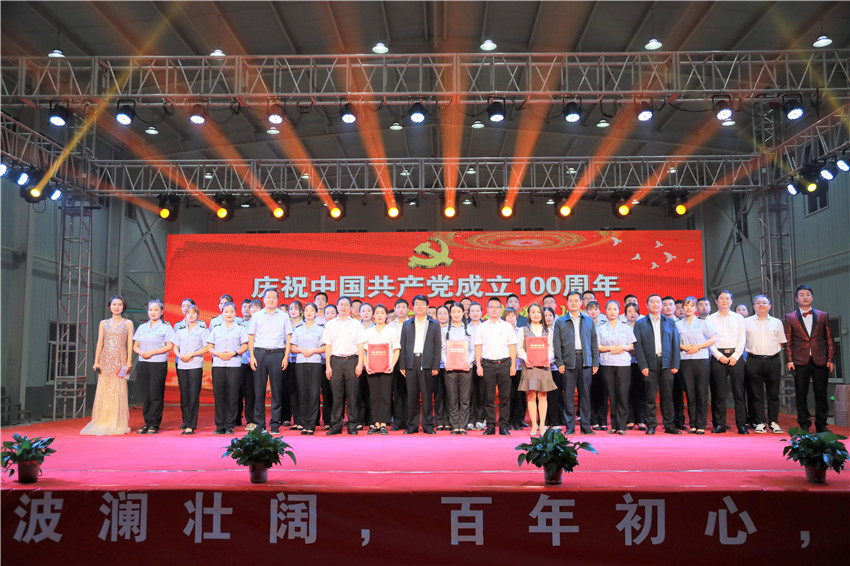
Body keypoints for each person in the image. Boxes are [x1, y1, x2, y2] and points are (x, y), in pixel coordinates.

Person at [784, 284, 835, 433]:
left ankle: (821, 424)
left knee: (821, 393)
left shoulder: (823, 315)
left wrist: (830, 359)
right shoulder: (790, 317)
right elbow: (788, 341)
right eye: (801, 295)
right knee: (801, 393)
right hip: (800, 360)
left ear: (812, 297)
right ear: (796, 298)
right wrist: (789, 360)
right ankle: (804, 424)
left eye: (807, 294)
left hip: (821, 359)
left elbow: (829, 338)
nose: (805, 297)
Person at [81, 295, 134, 436]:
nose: (117, 307)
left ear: (123, 307)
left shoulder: (128, 323)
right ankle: (102, 420)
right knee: (104, 390)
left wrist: (129, 361)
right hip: (105, 360)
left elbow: (130, 343)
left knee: (118, 390)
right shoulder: (103, 323)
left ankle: (116, 422)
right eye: (114, 304)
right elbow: (100, 342)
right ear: (109, 306)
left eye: (120, 304)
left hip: (120, 360)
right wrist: (96, 361)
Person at [552, 291, 599, 435]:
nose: (573, 303)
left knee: (585, 395)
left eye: (576, 300)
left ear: (581, 303)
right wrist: (559, 362)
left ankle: (586, 426)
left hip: (585, 361)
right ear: (567, 303)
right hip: (568, 362)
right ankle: (570, 427)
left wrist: (595, 362)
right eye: (570, 301)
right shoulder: (560, 321)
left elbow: (594, 343)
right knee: (568, 396)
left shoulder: (588, 320)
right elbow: (556, 344)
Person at [633, 294, 681, 434]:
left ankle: (669, 425)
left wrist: (675, 364)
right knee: (650, 397)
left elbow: (675, 343)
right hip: (649, 364)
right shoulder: (640, 323)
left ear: (661, 305)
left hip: (667, 363)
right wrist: (643, 365)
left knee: (668, 397)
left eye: (658, 302)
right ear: (647, 305)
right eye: (652, 302)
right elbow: (638, 346)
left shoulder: (669, 322)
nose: (655, 304)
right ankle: (651, 425)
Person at [248, 288, 293, 433]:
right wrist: (252, 357)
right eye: (268, 297)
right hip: (260, 354)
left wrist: (286, 357)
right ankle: (260, 425)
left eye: (274, 297)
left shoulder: (284, 316)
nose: (271, 299)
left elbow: (288, 337)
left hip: (277, 355)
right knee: (259, 391)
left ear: (278, 299)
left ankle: (275, 424)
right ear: (264, 299)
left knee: (277, 391)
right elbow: (251, 337)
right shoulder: (256, 316)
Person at [322, 296, 366, 435]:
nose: (344, 307)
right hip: (335, 361)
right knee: (336, 395)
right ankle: (336, 425)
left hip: (352, 360)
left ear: (351, 308)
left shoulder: (356, 324)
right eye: (341, 304)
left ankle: (352, 424)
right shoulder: (330, 324)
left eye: (347, 305)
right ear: (337, 306)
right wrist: (328, 366)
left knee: (352, 395)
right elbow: (328, 346)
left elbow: (360, 345)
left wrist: (360, 364)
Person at [399, 295, 442, 434]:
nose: (419, 306)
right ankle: (412, 426)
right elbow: (402, 345)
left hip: (427, 363)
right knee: (412, 397)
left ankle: (428, 425)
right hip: (411, 362)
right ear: (413, 307)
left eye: (423, 304)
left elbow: (438, 346)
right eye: (417, 304)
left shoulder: (434, 324)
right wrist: (402, 365)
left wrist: (436, 365)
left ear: (427, 306)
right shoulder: (407, 324)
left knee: (427, 396)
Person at [475, 297, 518, 435]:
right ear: (487, 309)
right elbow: (478, 347)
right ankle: (491, 425)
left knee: (505, 397)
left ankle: (504, 425)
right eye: (491, 307)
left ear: (500, 309)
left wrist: (513, 364)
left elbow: (512, 346)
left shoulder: (507, 326)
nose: (494, 310)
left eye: (496, 307)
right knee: (488, 397)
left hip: (504, 364)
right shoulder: (482, 327)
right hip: (487, 365)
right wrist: (478, 365)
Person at [744, 295, 787, 434]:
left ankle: (773, 422)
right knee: (756, 394)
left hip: (773, 360)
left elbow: (781, 342)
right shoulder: (746, 322)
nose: (761, 305)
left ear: (770, 306)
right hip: (753, 360)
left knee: (773, 394)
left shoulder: (776, 322)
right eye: (758, 303)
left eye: (764, 302)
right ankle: (760, 422)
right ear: (753, 306)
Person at [707, 290, 747, 434]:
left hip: (736, 355)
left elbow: (742, 338)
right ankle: (720, 424)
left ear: (731, 301)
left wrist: (735, 356)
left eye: (727, 298)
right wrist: (718, 356)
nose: (724, 301)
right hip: (718, 356)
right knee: (719, 393)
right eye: (721, 298)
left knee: (739, 392)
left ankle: (741, 424)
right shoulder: (710, 319)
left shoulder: (738, 318)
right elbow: (709, 340)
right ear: (716, 301)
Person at [676, 297, 717, 434]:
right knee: (690, 393)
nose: (689, 308)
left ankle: (701, 424)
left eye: (692, 306)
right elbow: (673, 342)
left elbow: (714, 338)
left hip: (701, 359)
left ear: (695, 308)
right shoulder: (678, 324)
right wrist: (683, 346)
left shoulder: (702, 322)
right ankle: (693, 423)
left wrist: (699, 346)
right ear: (682, 308)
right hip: (685, 360)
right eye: (686, 305)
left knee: (701, 392)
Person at [133, 299, 174, 434]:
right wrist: (141, 353)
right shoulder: (142, 327)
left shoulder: (166, 327)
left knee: (156, 394)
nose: (153, 312)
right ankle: (147, 422)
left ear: (161, 312)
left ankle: (154, 424)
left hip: (158, 363)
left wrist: (152, 352)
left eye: (156, 310)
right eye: (150, 310)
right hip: (143, 363)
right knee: (146, 395)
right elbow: (135, 346)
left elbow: (169, 346)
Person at [207, 302, 248, 434]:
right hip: (218, 364)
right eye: (226, 312)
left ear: (235, 313)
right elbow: (209, 347)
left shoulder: (240, 328)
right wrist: (218, 354)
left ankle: (230, 425)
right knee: (219, 395)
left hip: (234, 364)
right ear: (222, 313)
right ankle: (219, 425)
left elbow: (245, 346)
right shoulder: (216, 328)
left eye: (231, 311)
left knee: (233, 395)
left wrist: (234, 353)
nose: (229, 314)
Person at [596, 300, 636, 435]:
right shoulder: (601, 328)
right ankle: (614, 425)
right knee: (612, 395)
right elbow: (598, 346)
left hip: (623, 364)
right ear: (605, 311)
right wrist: (610, 348)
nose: (612, 312)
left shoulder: (626, 327)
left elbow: (632, 345)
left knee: (622, 394)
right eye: (609, 309)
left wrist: (622, 348)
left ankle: (622, 425)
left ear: (619, 311)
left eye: (614, 309)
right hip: (607, 364)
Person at [516, 303, 556, 435]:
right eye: (533, 312)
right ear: (529, 314)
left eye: (538, 312)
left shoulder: (548, 330)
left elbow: (551, 348)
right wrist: (525, 358)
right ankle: (534, 425)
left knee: (543, 395)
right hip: (529, 366)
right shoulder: (523, 330)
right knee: (531, 395)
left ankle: (542, 425)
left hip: (543, 366)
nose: (536, 315)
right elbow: (519, 348)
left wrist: (547, 358)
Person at [363, 304, 400, 435]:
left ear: (386, 316)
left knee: (385, 395)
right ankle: (375, 423)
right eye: (377, 313)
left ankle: (383, 423)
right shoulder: (368, 332)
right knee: (374, 396)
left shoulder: (391, 331)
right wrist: (366, 365)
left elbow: (397, 349)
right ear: (373, 316)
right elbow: (363, 350)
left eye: (382, 313)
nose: (379, 315)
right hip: (372, 369)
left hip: (387, 368)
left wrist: (392, 365)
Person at [172, 305, 209, 435]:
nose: (191, 315)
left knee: (193, 394)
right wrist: (179, 355)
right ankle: (186, 421)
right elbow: (175, 346)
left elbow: (207, 348)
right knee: (184, 395)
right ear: (185, 315)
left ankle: (191, 424)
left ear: (198, 315)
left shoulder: (203, 330)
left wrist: (192, 354)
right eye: (188, 313)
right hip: (182, 365)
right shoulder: (180, 329)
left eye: (194, 313)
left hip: (195, 365)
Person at [290, 302, 325, 435]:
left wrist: (314, 350)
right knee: (302, 393)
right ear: (303, 313)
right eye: (307, 310)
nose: (309, 312)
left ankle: (311, 424)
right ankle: (304, 423)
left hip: (315, 362)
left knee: (314, 393)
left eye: (312, 310)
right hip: (300, 363)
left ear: (316, 313)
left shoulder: (320, 329)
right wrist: (301, 350)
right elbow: (293, 348)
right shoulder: (298, 329)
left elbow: (324, 347)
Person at [443, 302, 474, 435]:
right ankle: (455, 425)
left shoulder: (470, 330)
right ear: (450, 314)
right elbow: (443, 349)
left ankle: (463, 426)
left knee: (464, 399)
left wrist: (469, 361)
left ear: (463, 313)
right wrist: (446, 362)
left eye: (458, 312)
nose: (456, 314)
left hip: (466, 368)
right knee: (452, 398)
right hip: (450, 368)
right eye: (453, 312)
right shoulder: (445, 330)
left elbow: (473, 349)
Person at [235, 299, 260, 428]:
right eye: (252, 307)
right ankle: (242, 418)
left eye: (256, 307)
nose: (253, 309)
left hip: (259, 360)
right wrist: (247, 358)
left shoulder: (262, 323)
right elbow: (240, 343)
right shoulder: (241, 324)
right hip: (244, 361)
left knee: (255, 392)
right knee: (244, 391)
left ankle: (254, 419)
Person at [662, 296, 686, 429]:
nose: (668, 307)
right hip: (664, 362)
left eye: (671, 305)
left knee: (678, 392)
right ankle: (667, 420)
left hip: (679, 361)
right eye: (665, 304)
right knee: (666, 393)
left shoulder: (681, 323)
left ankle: (679, 420)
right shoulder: (659, 322)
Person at [624, 303, 647, 430]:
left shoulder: (643, 325)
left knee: (641, 392)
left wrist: (637, 351)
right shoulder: (622, 327)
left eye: (635, 311)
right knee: (628, 391)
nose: (632, 314)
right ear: (625, 314)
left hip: (641, 363)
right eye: (629, 311)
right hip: (627, 363)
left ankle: (641, 419)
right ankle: (630, 419)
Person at [504, 308, 527, 430]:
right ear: (504, 318)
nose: (511, 318)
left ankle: (518, 421)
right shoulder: (502, 331)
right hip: (506, 366)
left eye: (513, 315)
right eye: (508, 316)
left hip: (520, 366)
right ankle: (508, 421)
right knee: (508, 395)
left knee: (519, 395)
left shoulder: (521, 331)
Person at [389, 298, 410, 431]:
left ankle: (409, 420)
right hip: (395, 360)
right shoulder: (390, 326)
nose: (401, 309)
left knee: (410, 392)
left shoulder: (412, 323)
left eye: (404, 307)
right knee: (397, 391)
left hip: (409, 360)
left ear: (408, 309)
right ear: (395, 310)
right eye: (398, 307)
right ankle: (398, 420)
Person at [466, 301, 485, 430]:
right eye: (472, 311)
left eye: (477, 311)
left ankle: (481, 419)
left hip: (484, 364)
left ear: (482, 313)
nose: (475, 313)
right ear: (468, 313)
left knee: (483, 392)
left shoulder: (486, 327)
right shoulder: (465, 328)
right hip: (469, 364)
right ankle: (471, 419)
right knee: (470, 392)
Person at [319, 303, 338, 429]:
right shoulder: (320, 329)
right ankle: (327, 421)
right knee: (326, 393)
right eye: (327, 313)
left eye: (332, 313)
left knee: (337, 393)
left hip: (337, 363)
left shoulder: (339, 327)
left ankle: (337, 419)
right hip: (323, 363)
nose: (330, 315)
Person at [358, 302, 375, 429]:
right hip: (358, 365)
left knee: (372, 393)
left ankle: (371, 420)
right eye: (363, 311)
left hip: (373, 365)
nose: (366, 313)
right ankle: (359, 420)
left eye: (368, 310)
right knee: (358, 393)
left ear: (372, 313)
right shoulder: (355, 327)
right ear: (359, 313)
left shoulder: (377, 328)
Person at [434, 305, 451, 430]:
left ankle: (448, 420)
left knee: (450, 394)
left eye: (445, 313)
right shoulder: (432, 329)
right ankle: (439, 420)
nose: (442, 316)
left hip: (450, 365)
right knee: (438, 394)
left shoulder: (452, 329)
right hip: (436, 366)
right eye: (439, 313)